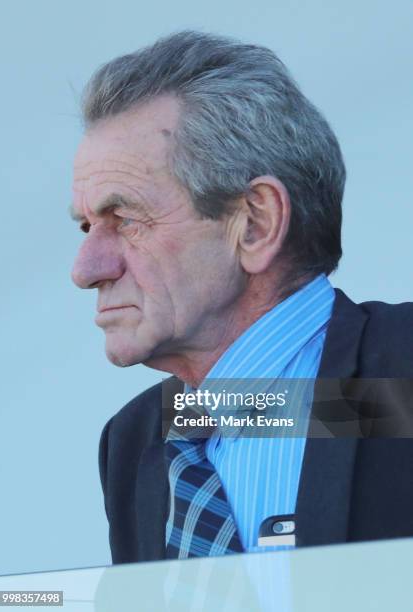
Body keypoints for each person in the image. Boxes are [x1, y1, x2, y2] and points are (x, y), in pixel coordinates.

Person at [71, 31, 413, 563]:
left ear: (255, 224)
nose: (86, 270)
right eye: (86, 227)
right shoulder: (132, 440)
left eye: (126, 219)